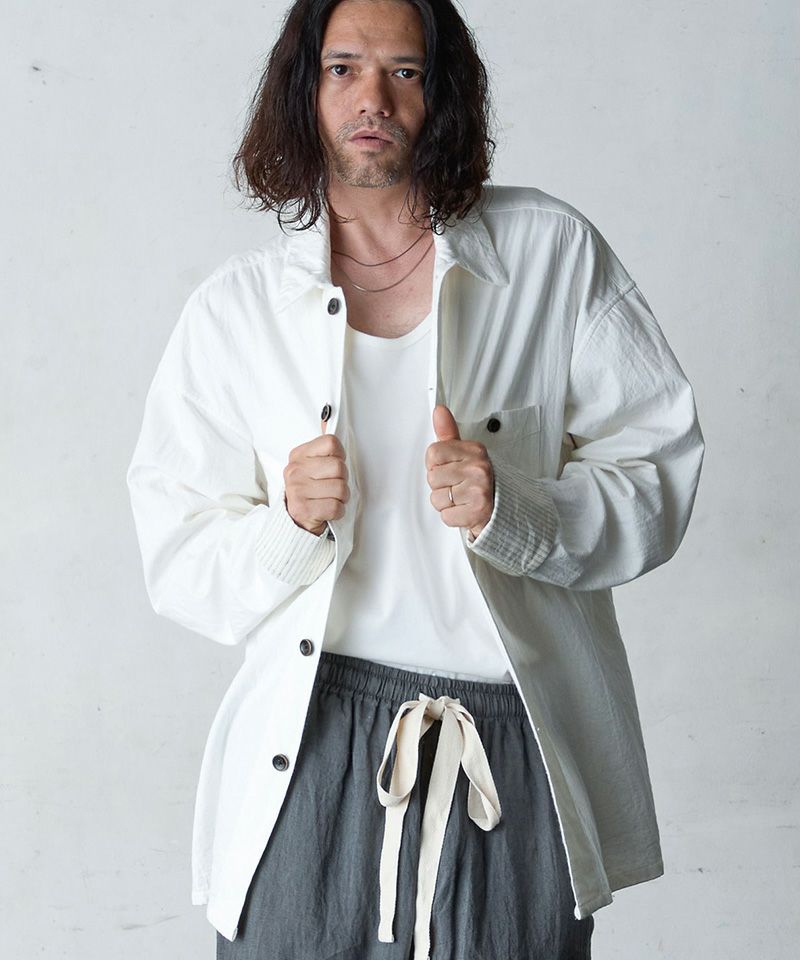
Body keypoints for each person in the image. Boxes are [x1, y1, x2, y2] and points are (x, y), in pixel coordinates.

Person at [125, 0, 705, 957]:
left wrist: (515, 511)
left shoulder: (550, 255)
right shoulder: (237, 311)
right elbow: (178, 556)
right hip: (308, 746)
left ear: (444, 95)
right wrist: (286, 528)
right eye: (343, 68)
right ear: (303, 89)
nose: (374, 99)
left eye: (406, 71)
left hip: (511, 744)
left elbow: (659, 471)